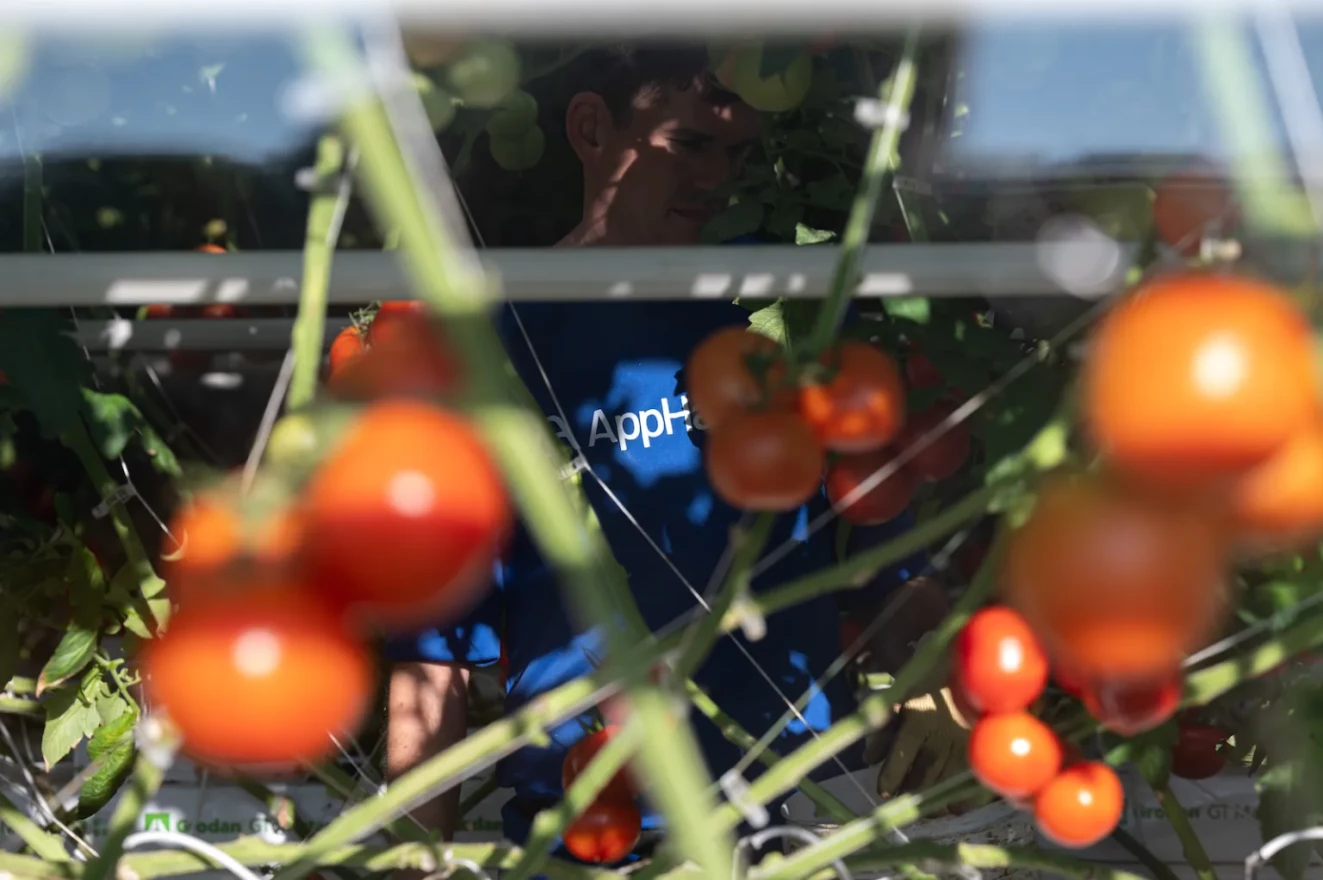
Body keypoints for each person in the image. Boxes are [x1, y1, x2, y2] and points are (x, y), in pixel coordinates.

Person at [384, 43, 967, 859]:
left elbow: (886, 552)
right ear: (590, 128)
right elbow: (434, 645)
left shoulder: (783, 322)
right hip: (589, 818)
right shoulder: (492, 347)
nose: (717, 178)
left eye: (738, 153)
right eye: (690, 145)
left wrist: (929, 673)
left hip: (795, 813)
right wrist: (418, 856)